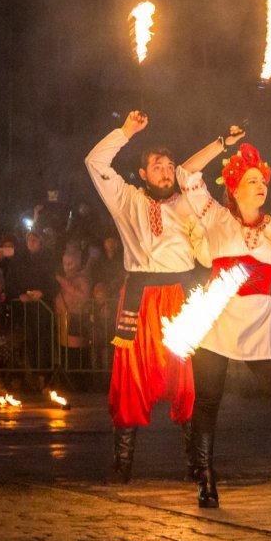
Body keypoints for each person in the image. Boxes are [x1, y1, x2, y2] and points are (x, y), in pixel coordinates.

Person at [176, 131, 271, 508]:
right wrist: (220, 144)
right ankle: (205, 478)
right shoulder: (214, 215)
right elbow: (186, 174)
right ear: (234, 188)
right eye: (251, 181)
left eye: (262, 180)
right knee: (208, 399)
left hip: (259, 322)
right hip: (216, 317)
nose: (261, 186)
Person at [84, 110, 199, 484]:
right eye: (157, 167)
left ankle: (197, 463)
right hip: (140, 298)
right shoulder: (126, 199)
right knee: (132, 377)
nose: (165, 172)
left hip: (181, 297)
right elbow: (95, 162)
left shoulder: (190, 202)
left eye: (169, 167)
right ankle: (122, 464)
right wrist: (126, 131)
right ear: (143, 174)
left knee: (188, 378)